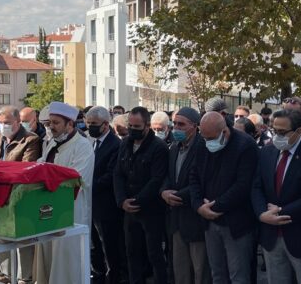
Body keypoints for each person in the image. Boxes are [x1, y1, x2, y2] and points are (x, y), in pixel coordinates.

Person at [252, 109, 301, 283]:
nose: (276, 135)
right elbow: (256, 187)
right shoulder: (267, 152)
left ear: (299, 131)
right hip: (271, 236)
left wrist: (280, 211)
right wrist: (262, 213)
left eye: (282, 132)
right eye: (274, 130)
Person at [190, 111, 258, 284]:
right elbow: (194, 176)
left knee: (239, 275)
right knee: (217, 273)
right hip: (209, 221)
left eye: (211, 138)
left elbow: (243, 186)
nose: (207, 142)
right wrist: (198, 205)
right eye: (204, 138)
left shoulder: (245, 146)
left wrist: (215, 206)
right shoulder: (202, 143)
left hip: (236, 223)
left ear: (225, 132)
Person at [35, 102, 95, 284]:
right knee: (47, 252)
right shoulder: (52, 142)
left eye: (56, 123)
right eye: (50, 123)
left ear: (70, 124)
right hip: (47, 208)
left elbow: (76, 177)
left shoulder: (83, 146)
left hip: (71, 210)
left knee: (67, 257)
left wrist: (47, 173)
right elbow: (42, 163)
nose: (51, 126)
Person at [0, 106, 41, 284]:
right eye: (0, 123)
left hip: (17, 195)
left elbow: (25, 167)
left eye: (7, 123)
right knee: (0, 234)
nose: (3, 126)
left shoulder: (30, 139)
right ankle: (7, 274)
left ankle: (25, 277)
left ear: (17, 122)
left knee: (22, 237)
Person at [113, 107, 169, 284]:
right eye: (130, 125)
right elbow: (118, 173)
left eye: (137, 126)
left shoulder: (158, 147)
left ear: (147, 125)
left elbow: (156, 179)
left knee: (154, 254)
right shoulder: (126, 143)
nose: (133, 129)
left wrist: (137, 201)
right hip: (129, 209)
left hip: (151, 210)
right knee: (132, 253)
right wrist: (122, 200)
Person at [161, 107, 211, 284]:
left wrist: (178, 196)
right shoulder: (174, 147)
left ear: (194, 126)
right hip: (176, 220)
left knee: (200, 269)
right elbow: (168, 175)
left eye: (181, 124)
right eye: (174, 123)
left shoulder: (203, 147)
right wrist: (164, 192)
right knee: (180, 269)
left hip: (195, 218)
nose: (176, 128)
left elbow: (202, 181)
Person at [86, 106, 127, 284]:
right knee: (94, 246)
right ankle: (98, 276)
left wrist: (87, 184)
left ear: (105, 124)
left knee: (109, 247)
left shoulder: (115, 145)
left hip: (107, 207)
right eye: (88, 124)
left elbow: (111, 175)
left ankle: (113, 278)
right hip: (92, 204)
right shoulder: (90, 141)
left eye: (94, 124)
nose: (90, 127)